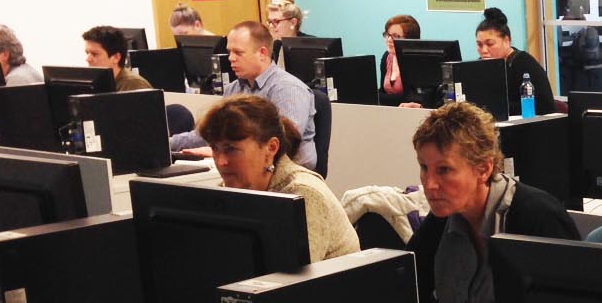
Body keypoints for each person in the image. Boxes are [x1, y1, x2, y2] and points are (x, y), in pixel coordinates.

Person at [407, 102, 579, 303]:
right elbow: (407, 292)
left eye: (445, 170)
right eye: (424, 168)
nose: (430, 184)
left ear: (484, 169)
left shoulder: (536, 217)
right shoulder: (441, 222)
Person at [198, 95, 358, 262]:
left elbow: (293, 277)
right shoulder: (229, 190)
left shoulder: (304, 195)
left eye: (231, 149)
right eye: (215, 149)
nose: (221, 161)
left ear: (271, 148)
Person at [170, 21, 317, 168]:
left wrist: (219, 152)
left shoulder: (287, 88)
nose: (231, 58)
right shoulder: (234, 89)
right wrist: (166, 144)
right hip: (245, 169)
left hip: (285, 173)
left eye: (238, 53)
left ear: (262, 53)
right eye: (230, 52)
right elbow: (209, 133)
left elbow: (284, 140)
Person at [475, 7, 553, 117]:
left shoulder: (525, 64)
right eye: (479, 45)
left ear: (506, 41)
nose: (484, 50)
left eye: (490, 44)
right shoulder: (479, 66)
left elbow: (545, 106)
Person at [82, 25, 152, 92]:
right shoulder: (99, 83)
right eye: (87, 53)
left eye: (95, 54)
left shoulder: (134, 85)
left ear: (116, 57)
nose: (88, 59)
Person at [379, 14, 421, 106]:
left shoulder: (418, 62)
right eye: (387, 35)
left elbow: (413, 98)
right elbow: (382, 93)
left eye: (396, 36)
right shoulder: (387, 57)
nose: (389, 39)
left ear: (409, 39)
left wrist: (381, 97)